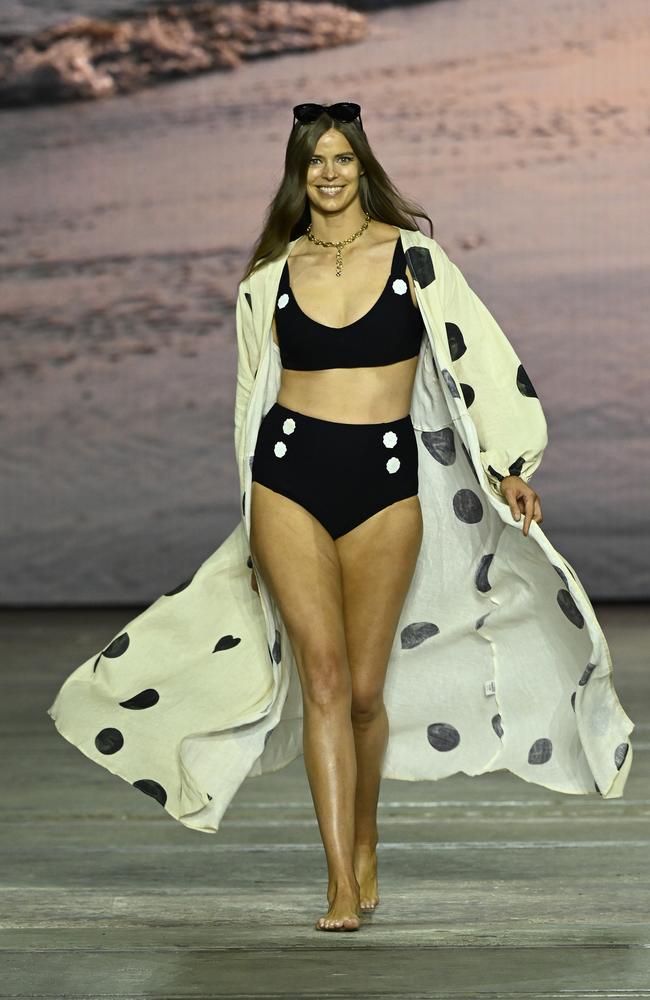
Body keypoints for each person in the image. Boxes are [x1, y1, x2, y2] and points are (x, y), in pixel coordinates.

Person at [244, 101, 542, 932]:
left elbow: (483, 356)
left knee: (368, 694)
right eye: (315, 161)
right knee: (326, 681)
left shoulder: (415, 260)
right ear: (298, 175)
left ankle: (365, 835)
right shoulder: (270, 276)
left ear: (362, 165)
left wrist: (510, 463)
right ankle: (339, 878)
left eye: (341, 158)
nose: (329, 173)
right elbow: (248, 398)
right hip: (286, 479)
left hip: (382, 485)